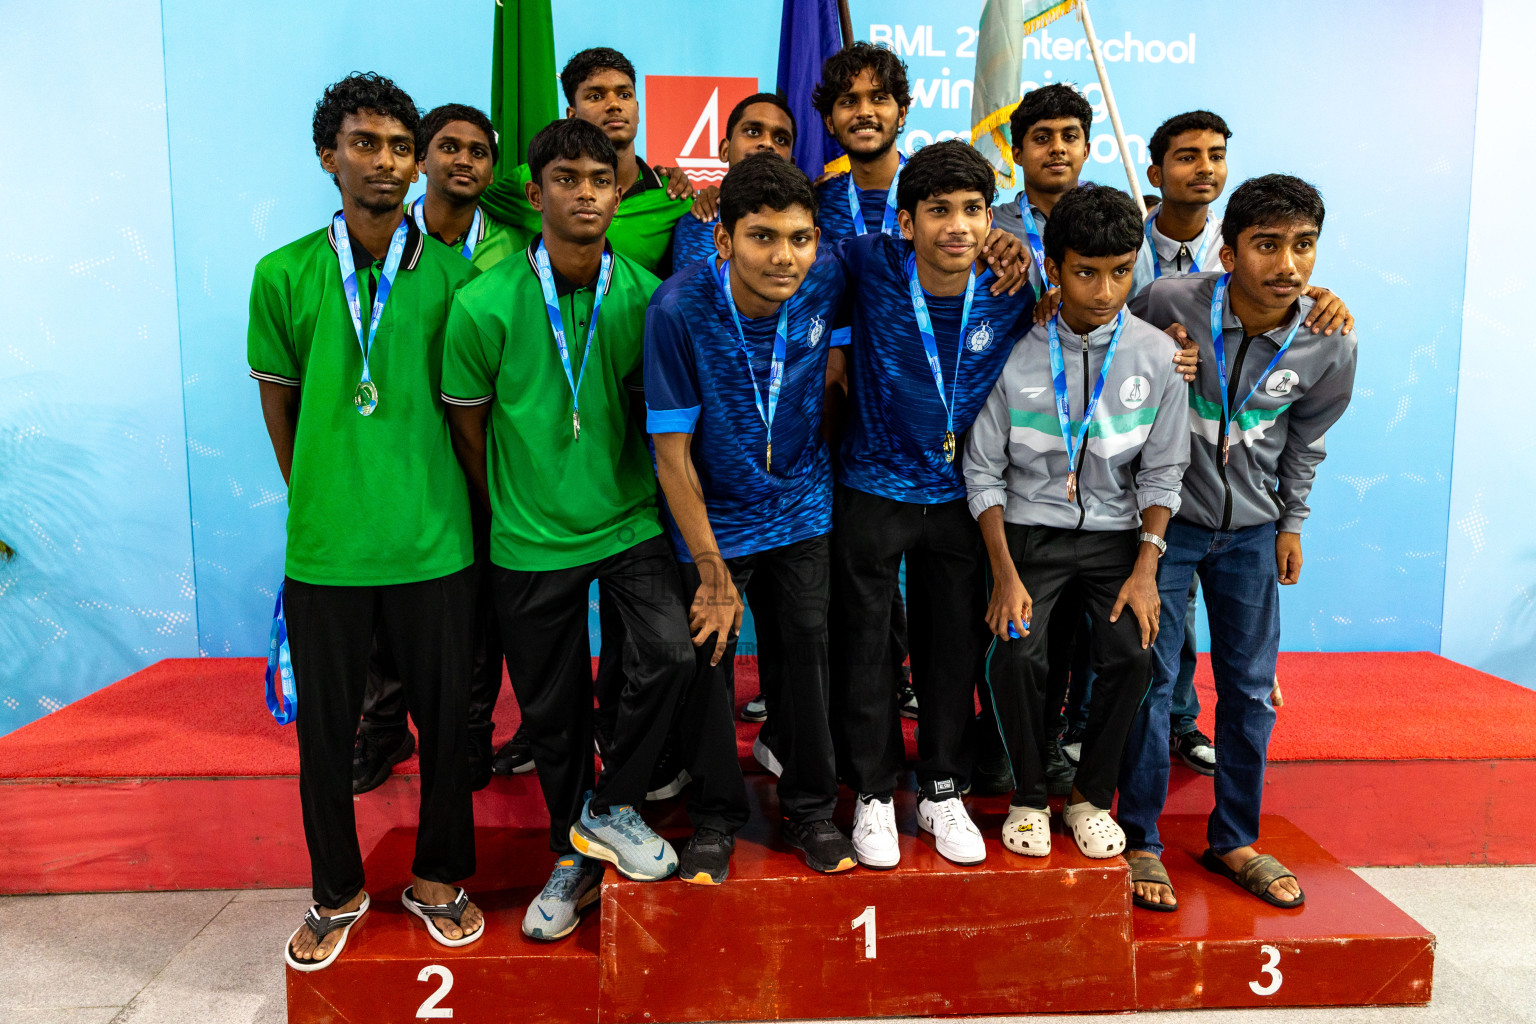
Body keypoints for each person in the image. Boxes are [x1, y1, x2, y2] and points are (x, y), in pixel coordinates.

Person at [250, 73, 484, 970]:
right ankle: (335, 890)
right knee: (327, 735)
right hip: (328, 548)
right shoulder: (283, 274)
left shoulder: (459, 280)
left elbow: (469, 414)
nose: (383, 161)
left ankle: (439, 879)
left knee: (448, 727)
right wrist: (322, 491)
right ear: (328, 156)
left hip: (434, 544)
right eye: (364, 143)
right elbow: (281, 407)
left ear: (416, 163)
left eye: (398, 146)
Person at [441, 117, 694, 939]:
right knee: (554, 715)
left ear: (618, 194)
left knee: (670, 655)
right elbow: (469, 429)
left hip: (627, 522)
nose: (585, 193)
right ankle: (570, 854)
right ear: (535, 192)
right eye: (566, 180)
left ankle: (610, 807)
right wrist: (513, 503)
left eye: (599, 180)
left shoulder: (649, 298)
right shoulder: (483, 302)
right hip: (528, 537)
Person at [1119, 174, 1358, 912]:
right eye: (1267, 245)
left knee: (1251, 691)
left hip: (1253, 534)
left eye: (1304, 246)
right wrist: (1157, 351)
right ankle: (1140, 839)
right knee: (1152, 682)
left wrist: (1291, 523)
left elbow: (1305, 441)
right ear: (1229, 254)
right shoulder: (1169, 300)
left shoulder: (1329, 340)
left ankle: (1235, 839)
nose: (1288, 264)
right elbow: (1106, 350)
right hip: (1167, 528)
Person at [647, 153, 857, 880]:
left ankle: (811, 810)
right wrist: (710, 567)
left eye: (798, 238)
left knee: (806, 657)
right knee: (710, 660)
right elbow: (671, 456)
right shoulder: (678, 309)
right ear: (724, 239)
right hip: (714, 514)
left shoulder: (828, 275)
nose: (783, 257)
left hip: (802, 504)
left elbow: (918, 261)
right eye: (763, 237)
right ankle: (715, 817)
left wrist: (1003, 248)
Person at [964, 183, 1188, 860]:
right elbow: (982, 471)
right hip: (1028, 534)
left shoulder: (1158, 356)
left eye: (1120, 272)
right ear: (1054, 267)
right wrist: (1004, 575)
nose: (1104, 291)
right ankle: (1030, 797)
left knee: (1133, 654)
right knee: (1016, 654)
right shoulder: (1016, 350)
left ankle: (1090, 799)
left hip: (1117, 538)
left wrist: (1146, 569)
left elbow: (1162, 473)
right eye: (1085, 272)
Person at [829, 140, 1035, 869]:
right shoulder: (866, 262)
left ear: (991, 218)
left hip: (964, 497)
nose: (957, 226)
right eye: (938, 210)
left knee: (951, 651)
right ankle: (874, 791)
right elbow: (781, 255)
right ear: (906, 221)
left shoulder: (1013, 286)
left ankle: (942, 788)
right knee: (866, 649)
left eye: (974, 210)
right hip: (872, 488)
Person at [353, 103, 527, 794]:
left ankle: (471, 731)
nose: (463, 160)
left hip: (480, 453)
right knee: (382, 605)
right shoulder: (379, 241)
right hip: (398, 455)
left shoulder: (513, 250)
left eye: (479, 151)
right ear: (421, 160)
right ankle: (383, 727)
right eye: (448, 147)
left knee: (477, 609)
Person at [478, 47, 695, 275]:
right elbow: (463, 206)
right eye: (596, 96)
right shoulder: (533, 178)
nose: (614, 105)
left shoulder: (674, 198)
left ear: (638, 110)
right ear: (572, 116)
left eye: (624, 95)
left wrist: (711, 196)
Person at [671, 93, 797, 272]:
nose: (767, 143)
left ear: (792, 164)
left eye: (780, 139)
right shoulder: (691, 226)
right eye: (753, 132)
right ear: (725, 150)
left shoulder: (805, 231)